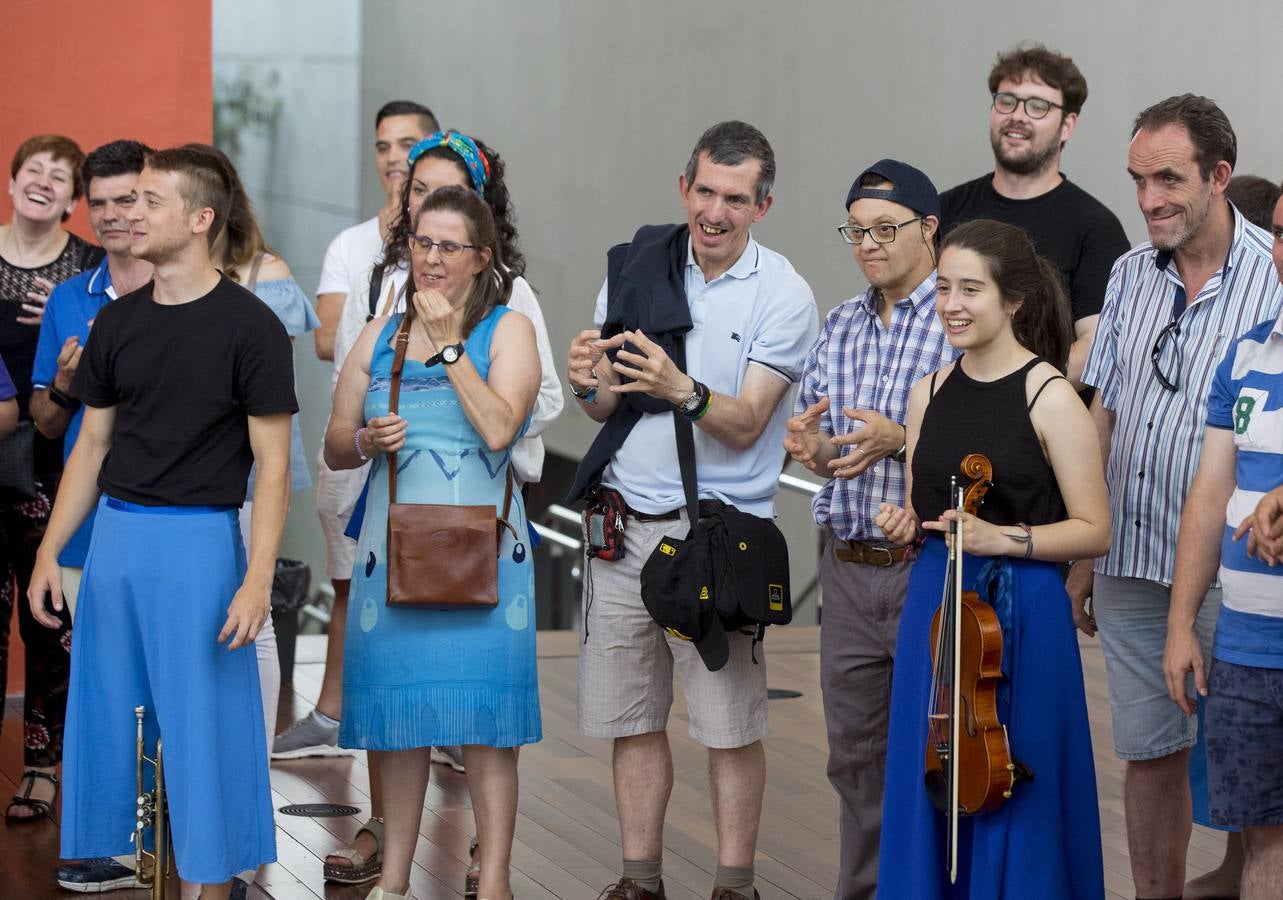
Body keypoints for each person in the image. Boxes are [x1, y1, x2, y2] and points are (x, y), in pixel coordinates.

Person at [27, 146, 295, 900]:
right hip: (114, 537)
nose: (127, 214)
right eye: (129, 200)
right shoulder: (115, 324)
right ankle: (127, 866)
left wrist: (255, 581)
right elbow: (91, 449)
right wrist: (51, 552)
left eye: (149, 201)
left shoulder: (252, 328)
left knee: (205, 726)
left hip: (201, 542)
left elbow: (273, 469)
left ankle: (214, 887)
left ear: (200, 219)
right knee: (110, 715)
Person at [567, 120, 819, 900]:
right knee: (632, 717)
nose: (714, 212)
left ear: (762, 206)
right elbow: (606, 408)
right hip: (621, 529)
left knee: (728, 725)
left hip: (717, 536)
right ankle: (640, 878)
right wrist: (586, 382)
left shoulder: (784, 294)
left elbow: (747, 423)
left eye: (734, 199)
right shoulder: (639, 266)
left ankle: (734, 884)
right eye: (704, 191)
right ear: (684, 188)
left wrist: (683, 389)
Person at [318, 129, 563, 895]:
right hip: (393, 551)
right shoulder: (380, 331)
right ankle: (393, 882)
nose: (430, 257)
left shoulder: (509, 327)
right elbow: (332, 446)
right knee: (397, 727)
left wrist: (454, 347)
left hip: (484, 550)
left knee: (488, 732)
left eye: (449, 246)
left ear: (481, 258)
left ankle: (491, 882)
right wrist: (364, 437)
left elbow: (500, 427)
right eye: (422, 241)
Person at [1076, 95, 1283, 900]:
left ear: (1219, 176)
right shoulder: (1128, 273)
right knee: (1147, 749)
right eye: (1137, 180)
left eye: (1168, 178)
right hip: (1129, 554)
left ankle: (1238, 878)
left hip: (1237, 571)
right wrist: (1086, 549)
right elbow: (1105, 410)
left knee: (1246, 757)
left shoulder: (1272, 269)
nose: (1149, 199)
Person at [874, 218, 1110, 898]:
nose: (950, 303)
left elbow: (1095, 528)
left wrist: (1008, 539)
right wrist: (903, 527)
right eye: (943, 287)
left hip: (1024, 609)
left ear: (1011, 300)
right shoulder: (927, 391)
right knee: (935, 771)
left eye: (969, 289)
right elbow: (927, 513)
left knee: (1018, 774)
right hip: (938, 596)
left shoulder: (1048, 395)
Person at [784, 159, 956, 900]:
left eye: (885, 229)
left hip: (929, 563)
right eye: (856, 231)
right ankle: (866, 890)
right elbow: (827, 444)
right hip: (848, 567)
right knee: (853, 755)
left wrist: (902, 440)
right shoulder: (842, 323)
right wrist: (811, 449)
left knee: (936, 747)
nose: (868, 245)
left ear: (927, 228)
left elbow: (990, 443)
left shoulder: (958, 317)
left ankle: (930, 885)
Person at [277, 99, 437, 761]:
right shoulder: (350, 244)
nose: (394, 158)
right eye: (383, 145)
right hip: (356, 429)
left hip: (430, 441)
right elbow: (328, 339)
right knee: (348, 582)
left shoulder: (460, 244)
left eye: (409, 145)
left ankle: (435, 721)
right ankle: (336, 713)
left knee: (434, 583)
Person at [1163, 186, 1283, 900]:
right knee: (1263, 839)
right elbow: (1208, 498)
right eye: (1276, 232)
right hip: (1242, 650)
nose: (1282, 251)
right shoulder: (1244, 354)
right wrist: (1181, 625)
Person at [1, 133, 99, 825]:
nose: (43, 181)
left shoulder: (87, 273)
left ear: (73, 201)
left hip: (55, 462)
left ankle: (42, 765)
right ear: (11, 182)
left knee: (48, 622)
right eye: (32, 169)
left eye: (59, 177)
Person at [938, 43, 1129, 388]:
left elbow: (1096, 346)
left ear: (1068, 125)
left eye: (1037, 106)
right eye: (1006, 100)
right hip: (943, 408)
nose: (1017, 116)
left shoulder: (1095, 227)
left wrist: (1009, 392)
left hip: (1038, 423)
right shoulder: (945, 209)